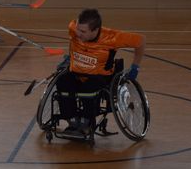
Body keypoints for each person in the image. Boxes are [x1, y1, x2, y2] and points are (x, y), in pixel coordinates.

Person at [57, 8, 146, 136]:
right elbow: (73, 36)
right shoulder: (73, 28)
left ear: (95, 30)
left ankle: (86, 121)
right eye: (77, 29)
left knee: (88, 88)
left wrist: (135, 67)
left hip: (99, 76)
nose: (78, 33)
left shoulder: (112, 37)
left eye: (83, 31)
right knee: (62, 81)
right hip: (76, 73)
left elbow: (141, 40)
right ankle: (72, 120)